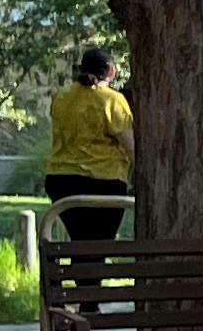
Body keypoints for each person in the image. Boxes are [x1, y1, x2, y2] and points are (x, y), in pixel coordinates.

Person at [45, 47, 135, 242]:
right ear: (111, 71)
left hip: (60, 181)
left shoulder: (61, 97)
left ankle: (79, 270)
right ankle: (90, 271)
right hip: (103, 183)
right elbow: (130, 147)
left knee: (80, 242)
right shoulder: (112, 100)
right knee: (98, 245)